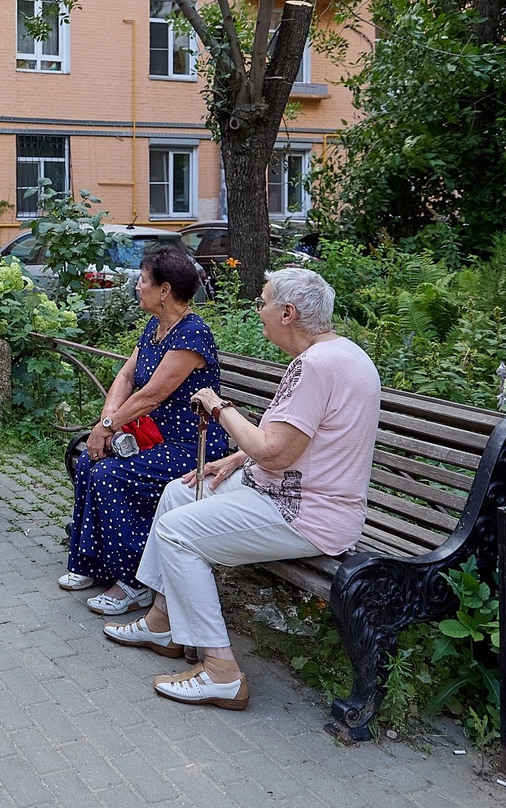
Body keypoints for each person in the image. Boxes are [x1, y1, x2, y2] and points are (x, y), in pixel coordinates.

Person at [106, 267, 380, 712]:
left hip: (304, 512)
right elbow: (300, 441)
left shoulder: (318, 366)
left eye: (264, 302)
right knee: (180, 490)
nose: (259, 311)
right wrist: (238, 457)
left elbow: (275, 452)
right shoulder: (335, 355)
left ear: (287, 313)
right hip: (284, 489)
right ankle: (162, 620)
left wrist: (218, 405)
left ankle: (221, 672)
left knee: (178, 531)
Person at [60, 247, 229, 616]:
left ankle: (136, 580)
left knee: (110, 475)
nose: (138, 287)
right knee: (90, 462)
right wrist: (103, 428)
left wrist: (106, 427)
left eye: (143, 281)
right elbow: (125, 375)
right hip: (153, 438)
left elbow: (152, 394)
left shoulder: (192, 333)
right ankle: (98, 564)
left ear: (164, 289)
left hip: (191, 447)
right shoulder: (156, 326)